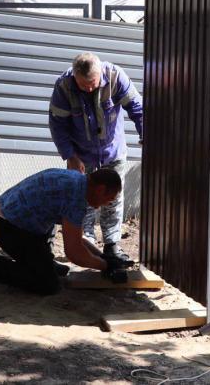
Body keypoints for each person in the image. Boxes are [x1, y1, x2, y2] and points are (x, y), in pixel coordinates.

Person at [0, 168, 124, 295]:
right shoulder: (75, 198)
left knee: (50, 264)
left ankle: (45, 262)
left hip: (11, 218)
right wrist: (106, 266)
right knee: (46, 284)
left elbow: (75, 237)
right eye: (108, 200)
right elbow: (74, 252)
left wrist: (103, 257)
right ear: (101, 189)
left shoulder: (78, 180)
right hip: (8, 227)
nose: (102, 206)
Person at [49, 52, 142, 265]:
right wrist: (70, 156)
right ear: (74, 77)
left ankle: (112, 245)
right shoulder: (64, 87)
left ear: (100, 73)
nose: (89, 88)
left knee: (113, 197)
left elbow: (137, 107)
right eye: (84, 85)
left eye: (93, 83)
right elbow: (57, 125)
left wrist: (145, 134)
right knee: (83, 197)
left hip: (113, 150)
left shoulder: (116, 76)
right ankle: (85, 242)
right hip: (81, 154)